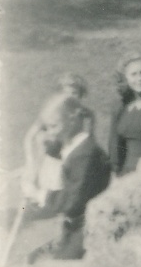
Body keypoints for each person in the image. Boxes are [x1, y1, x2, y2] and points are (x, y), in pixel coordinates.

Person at [23, 94, 111, 262]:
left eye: (54, 126)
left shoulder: (85, 154)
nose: (50, 132)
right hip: (76, 224)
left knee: (60, 264)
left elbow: (73, 200)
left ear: (72, 121)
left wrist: (38, 194)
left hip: (89, 227)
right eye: (47, 127)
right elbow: (61, 155)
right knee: (43, 257)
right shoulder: (74, 147)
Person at [21, 72, 95, 207]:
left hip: (73, 158)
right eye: (66, 94)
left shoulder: (86, 115)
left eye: (75, 93)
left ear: (81, 95)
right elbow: (30, 136)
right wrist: (30, 159)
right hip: (52, 157)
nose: (70, 97)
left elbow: (89, 141)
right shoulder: (54, 111)